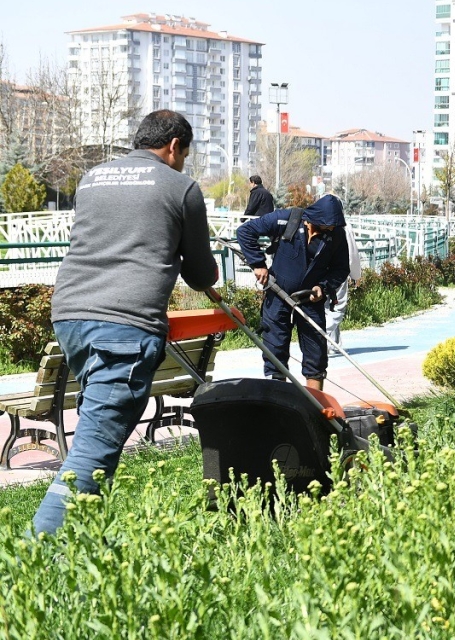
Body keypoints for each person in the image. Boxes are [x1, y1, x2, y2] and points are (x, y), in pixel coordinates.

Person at [34, 110, 219, 534]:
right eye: (184, 155)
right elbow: (198, 273)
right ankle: (37, 558)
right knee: (93, 451)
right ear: (174, 146)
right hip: (124, 327)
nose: (182, 162)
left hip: (71, 317)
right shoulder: (181, 187)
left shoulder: (93, 178)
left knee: (96, 433)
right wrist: (210, 277)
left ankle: (83, 540)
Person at [236, 194, 351, 390]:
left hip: (310, 299)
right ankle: (279, 400)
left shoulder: (336, 235)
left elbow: (341, 269)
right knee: (275, 348)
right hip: (277, 295)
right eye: (328, 224)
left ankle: (316, 407)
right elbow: (245, 231)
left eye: (334, 225)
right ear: (316, 219)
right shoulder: (286, 219)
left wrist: (323, 288)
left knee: (316, 354)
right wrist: (258, 264)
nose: (331, 228)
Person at [325, 223, 363, 355]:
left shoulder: (314, 222)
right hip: (338, 273)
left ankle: (333, 344)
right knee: (337, 308)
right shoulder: (344, 227)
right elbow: (351, 253)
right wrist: (356, 275)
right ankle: (319, 336)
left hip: (318, 272)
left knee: (324, 309)